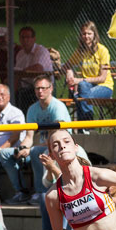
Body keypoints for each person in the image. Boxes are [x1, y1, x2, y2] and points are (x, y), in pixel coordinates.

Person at [14, 76, 71, 205]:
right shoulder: (32, 109)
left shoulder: (58, 108)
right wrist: (22, 148)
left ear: (50, 89)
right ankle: (20, 192)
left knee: (35, 151)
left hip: (59, 145)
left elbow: (58, 137)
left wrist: (30, 149)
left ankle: (40, 192)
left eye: (43, 88)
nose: (40, 91)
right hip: (40, 145)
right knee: (7, 154)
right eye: (37, 88)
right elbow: (29, 137)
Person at [65, 21, 113, 121]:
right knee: (82, 90)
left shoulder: (102, 50)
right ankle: (83, 129)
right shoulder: (80, 51)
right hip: (86, 87)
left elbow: (102, 78)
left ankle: (87, 125)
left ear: (94, 34)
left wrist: (80, 80)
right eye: (84, 34)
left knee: (81, 95)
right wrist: (69, 73)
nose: (86, 36)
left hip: (104, 86)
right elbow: (67, 65)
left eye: (89, 33)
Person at [12, 26, 54, 109]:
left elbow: (38, 69)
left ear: (34, 39)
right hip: (24, 89)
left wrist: (22, 73)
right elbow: (16, 74)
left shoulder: (41, 51)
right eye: (22, 37)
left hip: (41, 88)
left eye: (28, 37)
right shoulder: (20, 54)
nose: (25, 40)